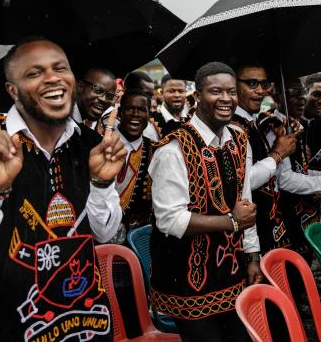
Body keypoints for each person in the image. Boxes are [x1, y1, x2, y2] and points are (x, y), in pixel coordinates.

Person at [0, 38, 125, 340]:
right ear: (13, 90)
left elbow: (104, 234)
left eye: (60, 68)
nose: (52, 78)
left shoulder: (91, 146)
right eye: (35, 73)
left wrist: (101, 184)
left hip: (82, 324)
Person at [148, 62, 261, 341]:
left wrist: (253, 254)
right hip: (187, 279)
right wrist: (232, 222)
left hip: (230, 271)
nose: (226, 99)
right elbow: (169, 220)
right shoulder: (173, 150)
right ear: (197, 96)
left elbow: (244, 200)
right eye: (215, 91)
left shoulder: (238, 138)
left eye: (231, 92)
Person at [259, 77, 321, 256]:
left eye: (302, 93)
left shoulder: (302, 123)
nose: (300, 98)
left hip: (304, 211)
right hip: (284, 217)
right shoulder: (274, 126)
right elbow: (285, 180)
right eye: (293, 93)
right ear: (276, 96)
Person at [231, 64, 297, 253]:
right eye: (252, 83)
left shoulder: (251, 122)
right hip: (252, 232)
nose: (260, 91)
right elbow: (246, 180)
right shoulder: (234, 127)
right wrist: (277, 154)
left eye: (264, 83)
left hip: (269, 224)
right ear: (234, 85)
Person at [110, 89, 155, 244]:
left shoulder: (155, 151)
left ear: (149, 116)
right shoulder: (101, 144)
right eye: (130, 109)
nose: (135, 114)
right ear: (120, 113)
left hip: (139, 242)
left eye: (142, 110)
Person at [149, 74, 188, 140]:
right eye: (171, 91)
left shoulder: (192, 119)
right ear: (161, 93)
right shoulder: (151, 124)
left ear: (186, 92)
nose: (177, 95)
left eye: (181, 91)